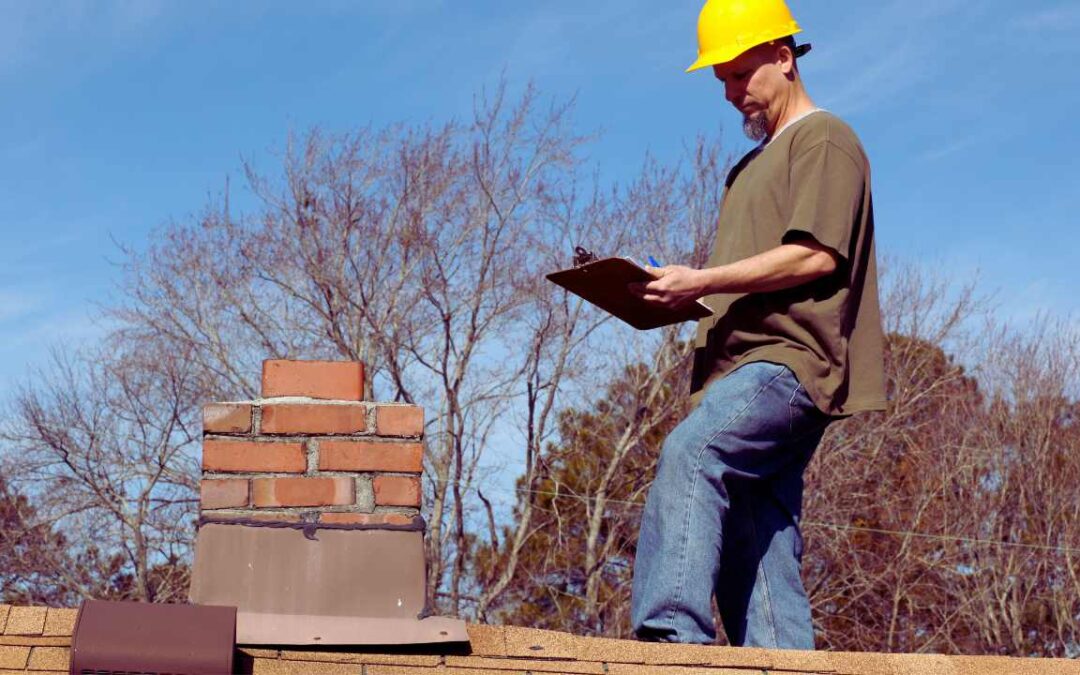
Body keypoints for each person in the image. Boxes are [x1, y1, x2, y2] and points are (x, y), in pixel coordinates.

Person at [627, 0, 887, 649]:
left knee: (693, 452)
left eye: (741, 75)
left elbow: (816, 253)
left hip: (789, 363)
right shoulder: (746, 169)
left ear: (782, 56)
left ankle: (671, 637)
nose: (731, 93)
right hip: (734, 370)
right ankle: (780, 658)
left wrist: (703, 279)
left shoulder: (825, 138)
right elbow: (749, 278)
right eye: (722, 82)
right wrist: (669, 295)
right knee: (756, 530)